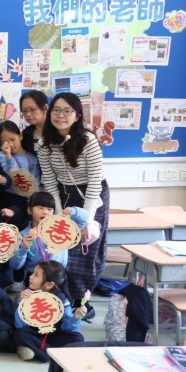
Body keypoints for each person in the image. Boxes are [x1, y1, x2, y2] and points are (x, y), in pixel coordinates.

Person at [36, 92, 110, 302]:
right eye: (56, 110)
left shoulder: (88, 141)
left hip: (92, 196)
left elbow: (94, 182)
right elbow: (50, 182)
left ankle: (82, 302)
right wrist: (59, 216)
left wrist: (86, 220)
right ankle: (63, 300)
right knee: (65, 248)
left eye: (67, 111)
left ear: (77, 116)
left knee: (87, 248)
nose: (61, 115)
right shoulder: (43, 144)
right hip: (64, 195)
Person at [15, 260, 85, 362]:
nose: (30, 276)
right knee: (20, 334)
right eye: (33, 273)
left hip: (53, 336)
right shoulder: (27, 295)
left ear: (49, 285)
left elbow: (67, 328)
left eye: (36, 275)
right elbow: (19, 325)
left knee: (77, 338)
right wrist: (22, 303)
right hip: (33, 334)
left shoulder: (62, 300)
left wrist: (76, 318)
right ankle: (49, 352)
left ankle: (38, 350)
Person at [9, 192, 91, 278]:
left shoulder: (62, 226)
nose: (45, 212)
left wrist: (72, 211)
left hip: (59, 275)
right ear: (29, 210)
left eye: (49, 209)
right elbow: (15, 266)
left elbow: (85, 217)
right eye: (40, 208)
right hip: (35, 277)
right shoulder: (24, 235)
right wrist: (24, 248)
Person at [0, 120, 40, 228]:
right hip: (8, 198)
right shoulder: (2, 156)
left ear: (20, 136)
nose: (10, 144)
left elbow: (36, 181)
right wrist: (8, 155)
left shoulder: (32, 158)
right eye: (5, 142)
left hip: (27, 200)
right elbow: (12, 173)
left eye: (12, 139)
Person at [20, 90, 50, 155]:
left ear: (45, 108)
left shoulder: (59, 130)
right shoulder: (25, 135)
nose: (28, 114)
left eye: (33, 109)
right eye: (24, 111)